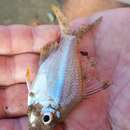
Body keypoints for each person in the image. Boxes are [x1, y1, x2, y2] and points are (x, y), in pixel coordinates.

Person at [0, 8, 130, 130]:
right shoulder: (46, 104)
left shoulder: (42, 104)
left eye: (47, 119)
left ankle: (70, 37)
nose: (40, 115)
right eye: (45, 117)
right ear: (51, 112)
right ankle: (70, 38)